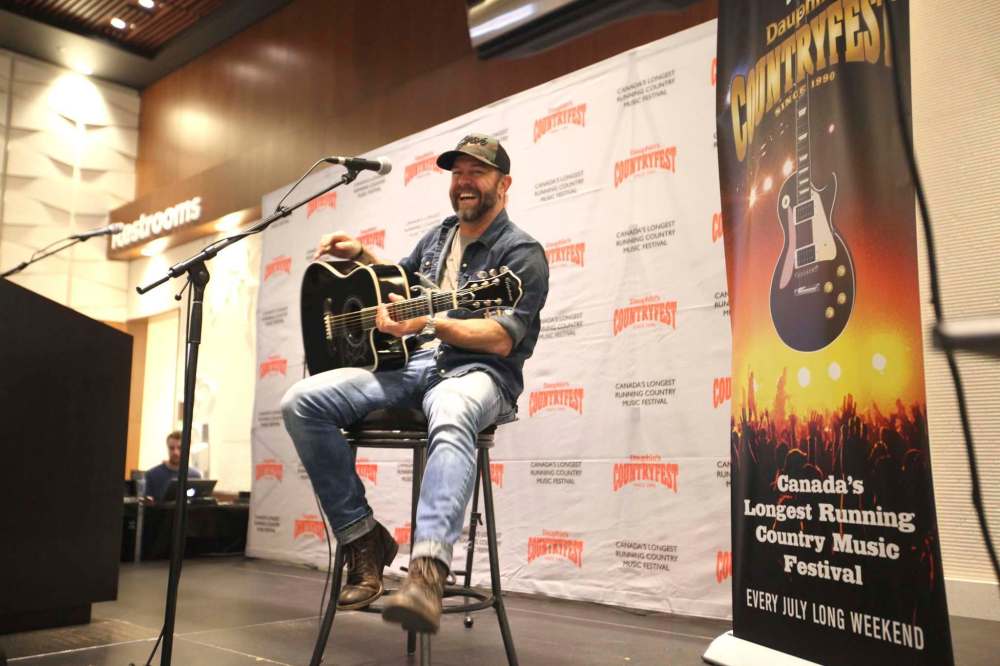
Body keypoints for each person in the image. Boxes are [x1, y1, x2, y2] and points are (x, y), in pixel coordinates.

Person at [281, 133, 549, 633]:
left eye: (477, 173)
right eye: (458, 173)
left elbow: (500, 339)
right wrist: (362, 254)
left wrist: (427, 324)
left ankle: (426, 572)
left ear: (503, 184)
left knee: (451, 409)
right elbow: (397, 283)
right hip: (413, 367)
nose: (465, 183)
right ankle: (363, 539)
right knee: (301, 401)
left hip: (480, 372)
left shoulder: (521, 254)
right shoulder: (440, 235)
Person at [145, 430, 202, 502]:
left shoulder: (195, 476)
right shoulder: (152, 475)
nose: (175, 452)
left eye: (180, 448)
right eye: (172, 448)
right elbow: (147, 506)